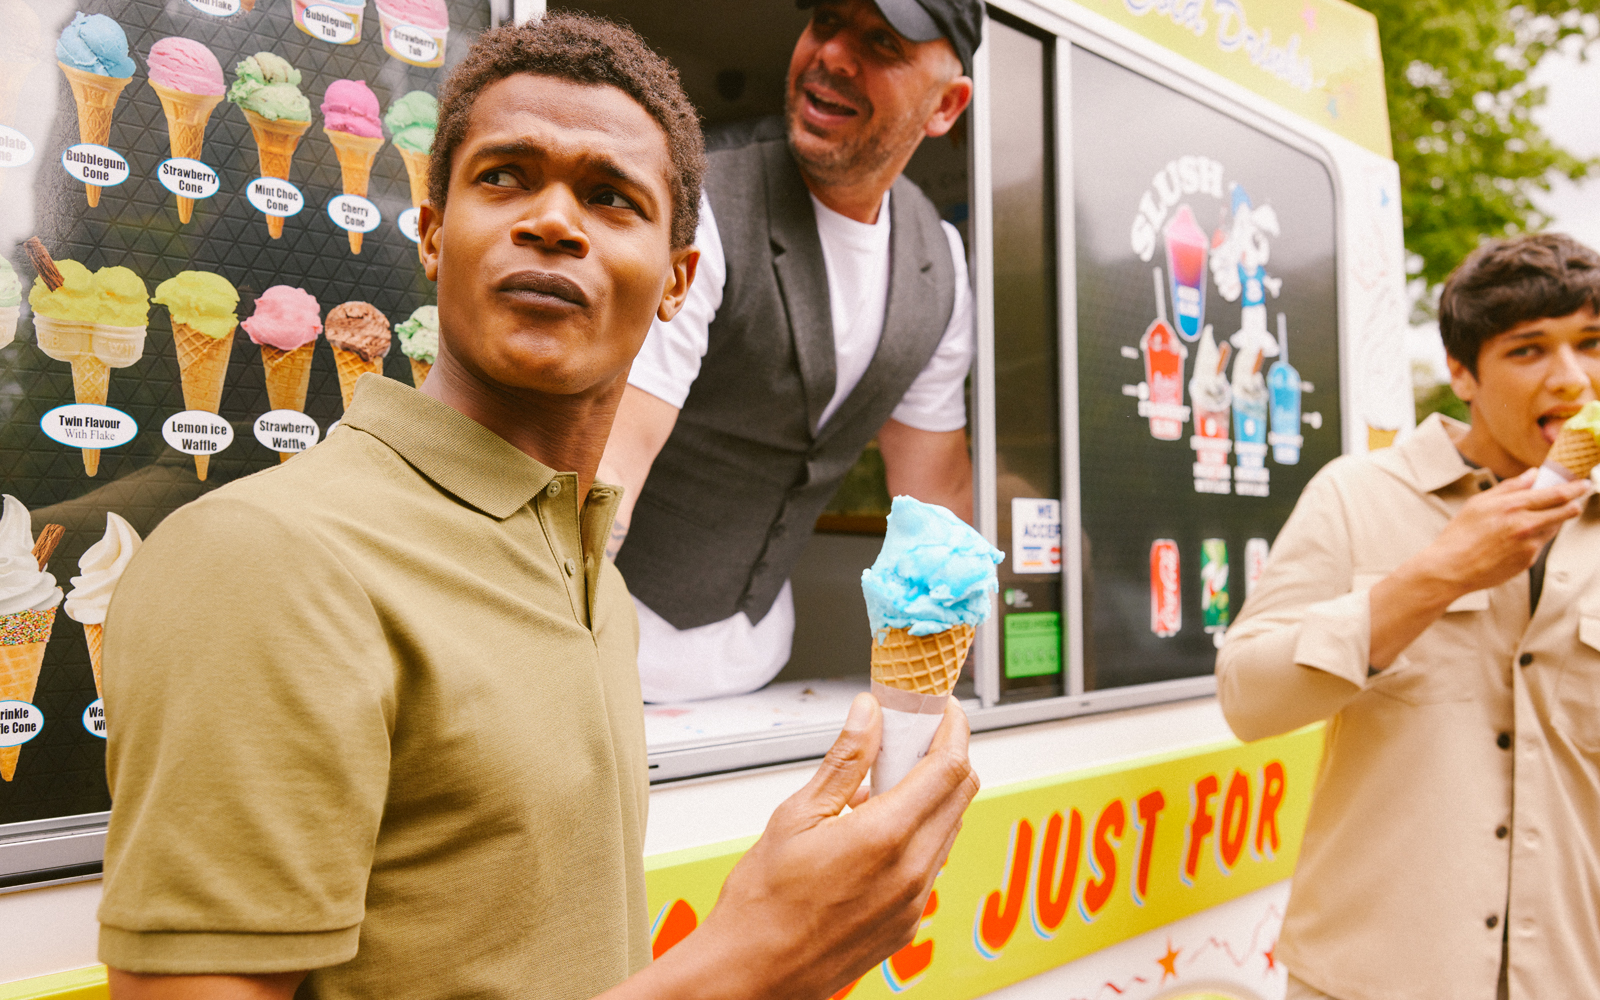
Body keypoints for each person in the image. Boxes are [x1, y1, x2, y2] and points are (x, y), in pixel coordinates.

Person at [96, 15, 979, 1000]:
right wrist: (745, 965)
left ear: (679, 281)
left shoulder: (583, 573)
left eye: (609, 196)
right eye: (505, 175)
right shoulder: (266, 565)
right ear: (432, 234)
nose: (554, 219)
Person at [1216, 233, 1600, 1000]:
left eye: (1592, 344)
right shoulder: (1357, 494)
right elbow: (1248, 699)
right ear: (1461, 372)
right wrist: (1436, 573)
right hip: (1368, 979)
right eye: (1528, 351)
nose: (1572, 379)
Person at [598, 0, 983, 703]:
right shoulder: (703, 203)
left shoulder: (942, 264)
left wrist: (925, 707)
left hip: (761, 666)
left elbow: (935, 507)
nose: (834, 54)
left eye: (882, 42)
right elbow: (608, 461)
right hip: (606, 660)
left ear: (946, 106)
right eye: (828, 21)